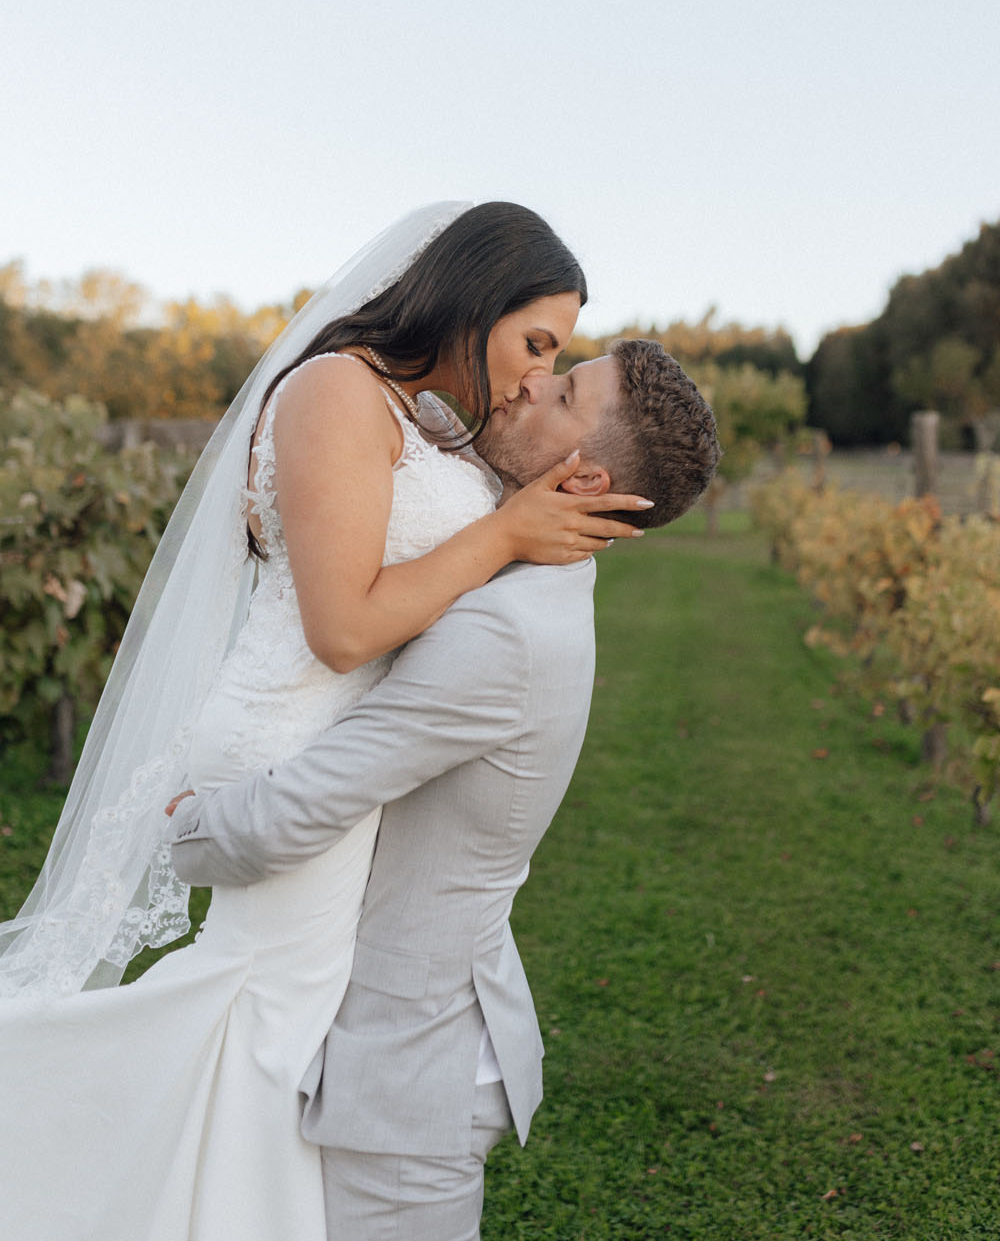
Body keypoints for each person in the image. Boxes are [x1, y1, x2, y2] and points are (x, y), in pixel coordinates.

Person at [0, 201, 651, 1241]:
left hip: (333, 733)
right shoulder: (338, 391)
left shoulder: (425, 417)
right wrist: (503, 535)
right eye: (536, 344)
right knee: (266, 1012)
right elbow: (343, 628)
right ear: (476, 299)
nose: (538, 374)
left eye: (556, 359)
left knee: (280, 1016)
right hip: (293, 727)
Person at [169, 339, 721, 1240]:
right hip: (410, 1050)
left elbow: (301, 810)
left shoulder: (505, 632)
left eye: (564, 392)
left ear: (585, 481)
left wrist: (181, 827)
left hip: (409, 1084)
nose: (532, 383)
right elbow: (418, 417)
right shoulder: (527, 574)